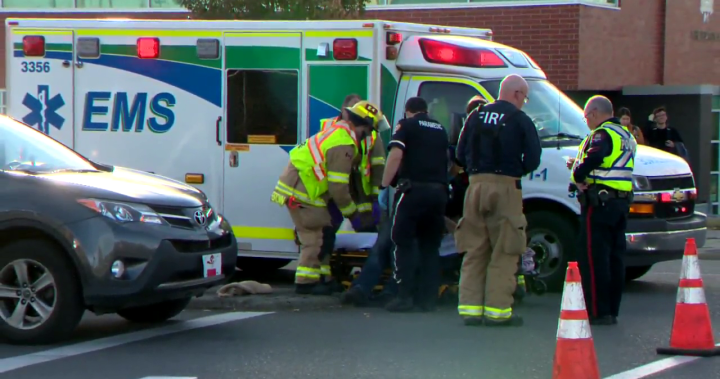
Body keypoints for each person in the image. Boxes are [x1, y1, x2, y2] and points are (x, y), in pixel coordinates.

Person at [454, 74, 541, 327]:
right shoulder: (520, 119)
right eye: (524, 97)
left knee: (475, 248)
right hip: (505, 186)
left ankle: (470, 309)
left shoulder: (475, 116)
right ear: (516, 94)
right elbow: (533, 158)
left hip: (475, 186)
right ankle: (497, 311)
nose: (524, 102)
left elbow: (459, 153)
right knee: (505, 249)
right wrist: (516, 170)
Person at [271, 102, 380, 295]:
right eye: (368, 130)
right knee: (313, 239)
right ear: (363, 126)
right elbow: (338, 187)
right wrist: (353, 215)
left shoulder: (338, 132)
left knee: (318, 237)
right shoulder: (344, 144)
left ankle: (318, 279)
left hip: (301, 189)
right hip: (303, 192)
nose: (367, 135)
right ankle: (305, 284)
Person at [568, 95, 636, 326]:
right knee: (615, 258)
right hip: (620, 202)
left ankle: (597, 311)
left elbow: (596, 156)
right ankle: (611, 310)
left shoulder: (602, 133)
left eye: (586, 116)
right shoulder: (627, 135)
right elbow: (612, 164)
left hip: (599, 203)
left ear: (594, 113)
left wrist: (578, 174)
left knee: (594, 257)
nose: (586, 120)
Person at [381, 97, 449, 312]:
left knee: (402, 242)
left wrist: (384, 184)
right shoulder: (440, 128)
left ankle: (404, 296)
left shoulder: (406, 125)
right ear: (425, 110)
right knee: (430, 247)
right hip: (438, 194)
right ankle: (428, 299)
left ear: (408, 111)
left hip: (413, 192)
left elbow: (396, 155)